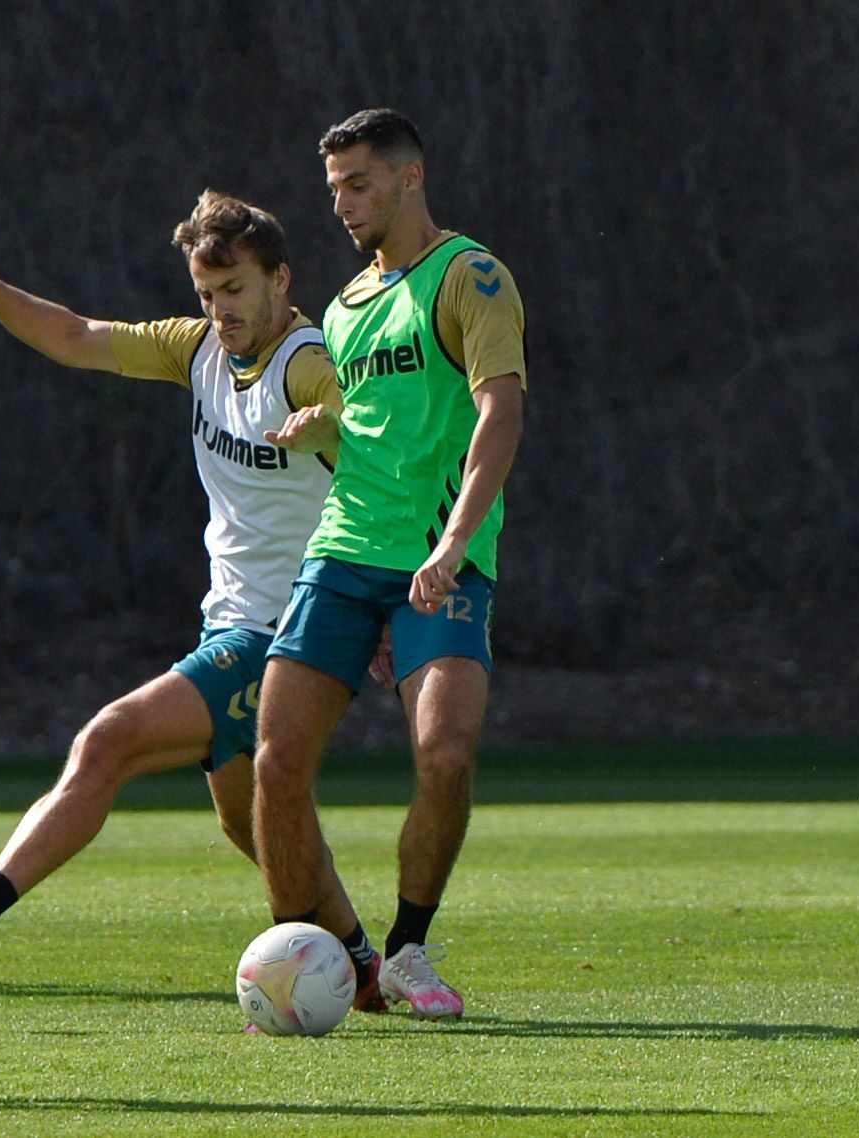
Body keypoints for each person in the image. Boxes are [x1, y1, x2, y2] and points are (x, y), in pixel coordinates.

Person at [0, 192, 386, 1010]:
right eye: (207, 294)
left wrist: (331, 432)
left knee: (110, 739)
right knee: (260, 827)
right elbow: (73, 336)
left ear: (281, 278)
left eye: (235, 290)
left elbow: (383, 459)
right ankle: (363, 963)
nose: (220, 310)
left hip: (284, 631)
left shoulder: (307, 362)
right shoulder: (196, 348)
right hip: (227, 618)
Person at [253, 108, 527, 1021]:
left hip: (440, 560)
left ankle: (408, 948)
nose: (341, 203)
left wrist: (453, 544)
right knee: (275, 761)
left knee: (445, 752)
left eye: (358, 183)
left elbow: (500, 413)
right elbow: (372, 428)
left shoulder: (470, 276)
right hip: (343, 551)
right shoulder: (341, 307)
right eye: (333, 187)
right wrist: (322, 424)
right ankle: (322, 956)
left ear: (412, 176)